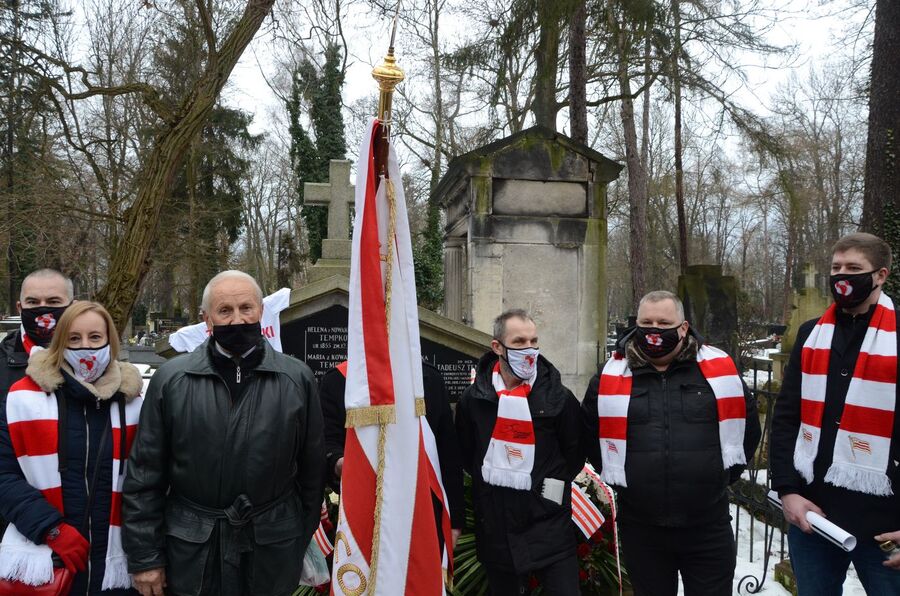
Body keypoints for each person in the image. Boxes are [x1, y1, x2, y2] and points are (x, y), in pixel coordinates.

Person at [122, 270, 325, 596]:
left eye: (246, 308)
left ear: (260, 311)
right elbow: (145, 477)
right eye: (225, 311)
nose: (237, 319)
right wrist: (145, 557)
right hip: (192, 548)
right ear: (207, 319)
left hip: (271, 548)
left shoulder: (296, 379)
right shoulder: (172, 380)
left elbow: (311, 473)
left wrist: (293, 538)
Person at [582, 290, 760, 596]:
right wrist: (628, 483)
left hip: (707, 524)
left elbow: (747, 429)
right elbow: (590, 434)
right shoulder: (609, 376)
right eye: (646, 322)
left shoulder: (719, 372)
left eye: (664, 322)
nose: (654, 330)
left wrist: (718, 477)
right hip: (642, 527)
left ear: (683, 327)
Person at [771, 232, 900, 594]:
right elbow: (786, 416)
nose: (842, 276)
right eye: (836, 267)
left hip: (886, 523)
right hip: (815, 515)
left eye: (854, 268)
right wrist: (787, 490)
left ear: (880, 275)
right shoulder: (812, 334)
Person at [0, 301, 143, 595]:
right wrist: (50, 528)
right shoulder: (22, 398)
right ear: (60, 342)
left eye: (95, 338)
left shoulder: (136, 403)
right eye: (74, 339)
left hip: (116, 567)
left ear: (109, 341)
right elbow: (3, 474)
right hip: (46, 560)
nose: (85, 347)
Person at [455, 309, 583, 595]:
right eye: (520, 342)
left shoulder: (558, 398)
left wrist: (545, 488)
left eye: (534, 341)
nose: (529, 350)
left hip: (549, 524)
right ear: (497, 347)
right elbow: (467, 454)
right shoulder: (475, 400)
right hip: (496, 526)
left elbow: (573, 454)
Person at [320, 359, 465, 546]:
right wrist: (339, 463)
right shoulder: (338, 380)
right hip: (365, 512)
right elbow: (328, 442)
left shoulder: (429, 378)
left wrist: (455, 521)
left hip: (424, 512)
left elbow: (448, 455)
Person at [0, 268, 74, 397]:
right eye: (33, 302)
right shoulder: (2, 363)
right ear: (19, 308)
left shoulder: (92, 357)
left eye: (53, 301)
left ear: (72, 307)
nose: (43, 308)